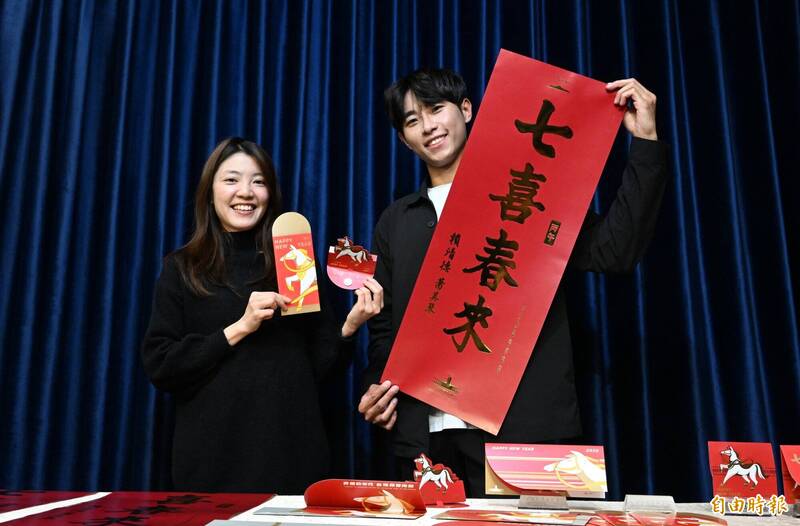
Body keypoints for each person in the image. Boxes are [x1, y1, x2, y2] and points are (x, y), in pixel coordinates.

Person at [358, 68, 668, 496]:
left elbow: (616, 251)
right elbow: (384, 328)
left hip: (525, 432)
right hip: (427, 439)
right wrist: (377, 388)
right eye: (412, 120)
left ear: (467, 110)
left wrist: (646, 142)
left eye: (436, 109)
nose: (428, 126)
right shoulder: (396, 221)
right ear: (404, 139)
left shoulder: (526, 196)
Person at [141, 137, 383, 494]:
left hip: (293, 459)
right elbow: (161, 365)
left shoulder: (295, 260)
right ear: (209, 193)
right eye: (232, 180)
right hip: (212, 464)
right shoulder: (183, 268)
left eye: (258, 181)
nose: (246, 192)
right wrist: (241, 327)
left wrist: (349, 327)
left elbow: (319, 371)